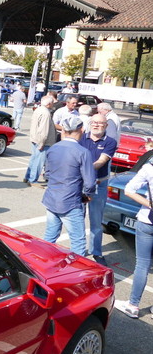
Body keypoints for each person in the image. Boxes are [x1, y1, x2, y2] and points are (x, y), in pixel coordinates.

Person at [41, 116, 95, 256]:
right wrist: (88, 195)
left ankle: (42, 266)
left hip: (52, 198)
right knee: (78, 242)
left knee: (49, 237)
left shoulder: (54, 148)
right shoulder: (83, 152)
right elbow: (89, 182)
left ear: (64, 130)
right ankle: (77, 276)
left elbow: (47, 174)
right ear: (81, 130)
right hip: (71, 201)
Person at [115, 158, 153, 318]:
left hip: (148, 220)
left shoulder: (149, 167)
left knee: (142, 264)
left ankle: (133, 305)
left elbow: (129, 190)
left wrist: (149, 204)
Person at [79, 113, 117, 266]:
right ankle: (78, 252)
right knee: (77, 219)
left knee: (96, 222)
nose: (96, 125)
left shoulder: (110, 142)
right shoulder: (81, 138)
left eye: (100, 123)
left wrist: (85, 168)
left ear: (106, 125)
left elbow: (101, 161)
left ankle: (96, 252)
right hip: (80, 184)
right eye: (93, 122)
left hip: (98, 185)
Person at [24, 95, 56, 185]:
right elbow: (43, 129)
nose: (53, 104)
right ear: (49, 104)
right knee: (39, 162)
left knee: (33, 159)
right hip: (42, 141)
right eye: (52, 102)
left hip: (35, 138)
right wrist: (42, 143)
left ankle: (28, 177)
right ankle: (33, 180)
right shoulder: (46, 113)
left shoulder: (38, 110)